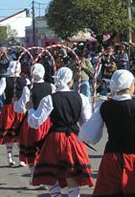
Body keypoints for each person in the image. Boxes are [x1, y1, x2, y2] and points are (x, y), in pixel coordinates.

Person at [79, 69, 135, 197]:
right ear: (130, 86)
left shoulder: (104, 106)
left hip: (111, 158)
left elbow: (89, 135)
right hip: (134, 158)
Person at [28, 66, 93, 197]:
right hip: (73, 138)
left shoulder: (49, 99)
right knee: (71, 173)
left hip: (55, 139)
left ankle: (56, 195)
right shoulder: (81, 98)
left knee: (49, 172)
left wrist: (30, 109)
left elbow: (35, 122)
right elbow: (86, 123)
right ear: (70, 81)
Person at [15, 63, 54, 180]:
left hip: (31, 122)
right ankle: (44, 174)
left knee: (31, 149)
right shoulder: (51, 87)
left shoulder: (28, 88)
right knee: (44, 149)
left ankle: (33, 174)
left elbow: (21, 108)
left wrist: (16, 103)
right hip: (47, 122)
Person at [0, 60, 27, 166]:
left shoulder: (5, 80)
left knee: (13, 133)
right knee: (20, 133)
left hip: (10, 108)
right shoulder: (25, 80)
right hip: (20, 108)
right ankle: (20, 158)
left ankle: (11, 157)